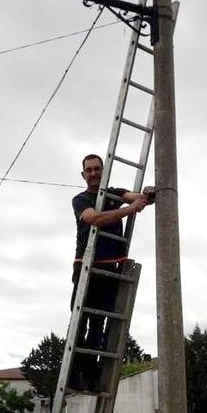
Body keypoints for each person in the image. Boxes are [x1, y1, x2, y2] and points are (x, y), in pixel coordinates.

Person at [69, 153, 154, 391]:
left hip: (110, 267)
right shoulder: (80, 199)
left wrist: (149, 193)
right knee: (80, 322)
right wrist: (130, 210)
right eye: (89, 170)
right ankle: (74, 376)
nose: (93, 173)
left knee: (99, 324)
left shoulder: (115, 193)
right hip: (87, 265)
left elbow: (138, 198)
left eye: (97, 169)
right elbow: (94, 219)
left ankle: (92, 376)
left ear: (103, 170)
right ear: (83, 175)